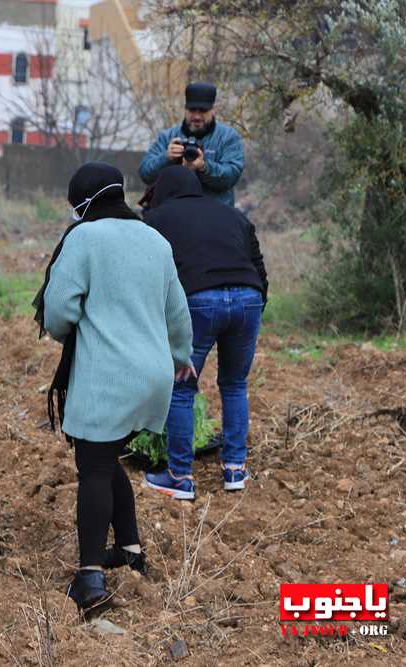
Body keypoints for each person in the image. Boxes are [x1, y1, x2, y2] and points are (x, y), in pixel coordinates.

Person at [35, 162, 194, 611]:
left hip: (108, 375)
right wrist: (182, 357)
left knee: (93, 470)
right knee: (108, 461)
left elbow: (59, 311)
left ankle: (89, 578)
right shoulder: (155, 240)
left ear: (83, 202)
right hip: (153, 374)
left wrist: (72, 329)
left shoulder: (84, 238)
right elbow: (177, 312)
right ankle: (130, 550)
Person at [142, 166, 268, 500]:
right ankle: (235, 470)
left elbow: (149, 272)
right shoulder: (232, 214)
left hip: (198, 299)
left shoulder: (156, 219)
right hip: (248, 296)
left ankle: (180, 476)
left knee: (181, 387)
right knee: (235, 383)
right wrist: (257, 305)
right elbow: (257, 263)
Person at [139, 82, 244, 208]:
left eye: (203, 111)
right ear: (185, 109)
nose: (197, 116)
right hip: (173, 214)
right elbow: (145, 173)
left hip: (214, 216)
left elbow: (231, 177)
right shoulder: (168, 136)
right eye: (192, 110)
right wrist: (166, 158)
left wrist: (204, 167)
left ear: (213, 110)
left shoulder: (228, 137)